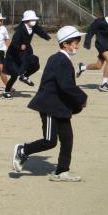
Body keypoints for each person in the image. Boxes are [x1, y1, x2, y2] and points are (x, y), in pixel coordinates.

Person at [11, 26, 88, 182]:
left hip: (60, 106)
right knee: (49, 141)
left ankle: (61, 171)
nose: (77, 46)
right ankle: (23, 150)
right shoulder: (60, 60)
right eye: (75, 43)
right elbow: (66, 85)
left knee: (67, 138)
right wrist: (82, 98)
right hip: (50, 106)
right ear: (65, 44)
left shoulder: (62, 59)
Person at [3, 10, 51, 98]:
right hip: (15, 54)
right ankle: (6, 91)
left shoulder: (34, 27)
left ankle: (24, 76)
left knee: (36, 64)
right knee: (14, 75)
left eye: (34, 19)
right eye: (31, 19)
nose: (34, 21)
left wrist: (48, 38)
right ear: (26, 21)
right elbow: (13, 43)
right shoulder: (20, 30)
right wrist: (20, 47)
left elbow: (40, 31)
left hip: (26, 51)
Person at [77, 4, 108, 92]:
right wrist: (87, 42)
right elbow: (90, 31)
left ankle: (82, 68)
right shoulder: (99, 21)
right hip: (100, 44)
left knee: (98, 66)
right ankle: (104, 84)